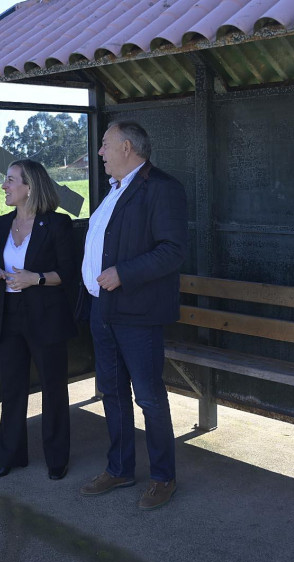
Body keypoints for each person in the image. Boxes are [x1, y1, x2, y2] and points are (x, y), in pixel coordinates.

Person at [79, 121, 188, 510]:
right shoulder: (116, 189)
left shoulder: (161, 188)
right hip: (104, 309)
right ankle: (121, 468)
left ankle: (163, 477)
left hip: (137, 312)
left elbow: (172, 251)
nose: (100, 152)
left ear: (126, 147)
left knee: (148, 396)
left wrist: (123, 273)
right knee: (111, 391)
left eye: (105, 145)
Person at [0, 159, 76, 481]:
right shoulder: (0, 224)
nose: (4, 186)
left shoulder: (57, 225)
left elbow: (68, 275)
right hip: (9, 316)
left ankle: (56, 458)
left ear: (29, 187)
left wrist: (35, 278)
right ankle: (9, 456)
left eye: (10, 180)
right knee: (11, 389)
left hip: (46, 318)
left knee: (53, 389)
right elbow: (2, 267)